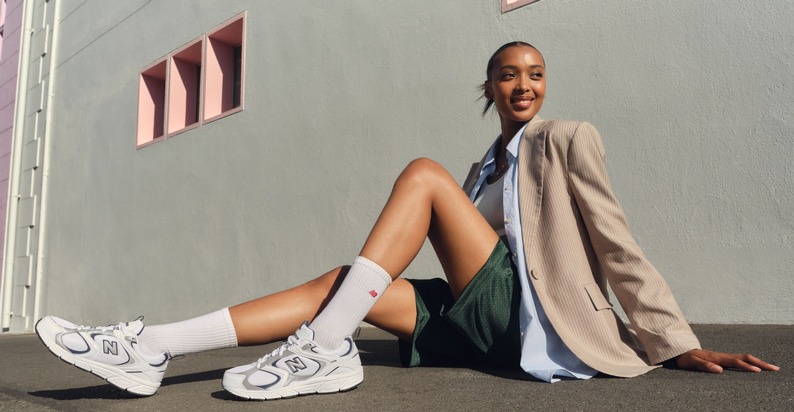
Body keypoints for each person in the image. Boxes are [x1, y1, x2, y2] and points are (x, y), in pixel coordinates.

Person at [35, 41, 779, 400]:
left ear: (545, 85)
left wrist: (677, 343)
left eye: (535, 74)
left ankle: (325, 350)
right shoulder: (482, 170)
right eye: (509, 74)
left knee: (421, 175)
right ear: (489, 87)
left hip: (531, 313)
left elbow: (616, 243)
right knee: (340, 283)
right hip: (473, 317)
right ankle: (151, 348)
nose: (524, 84)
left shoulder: (566, 140)